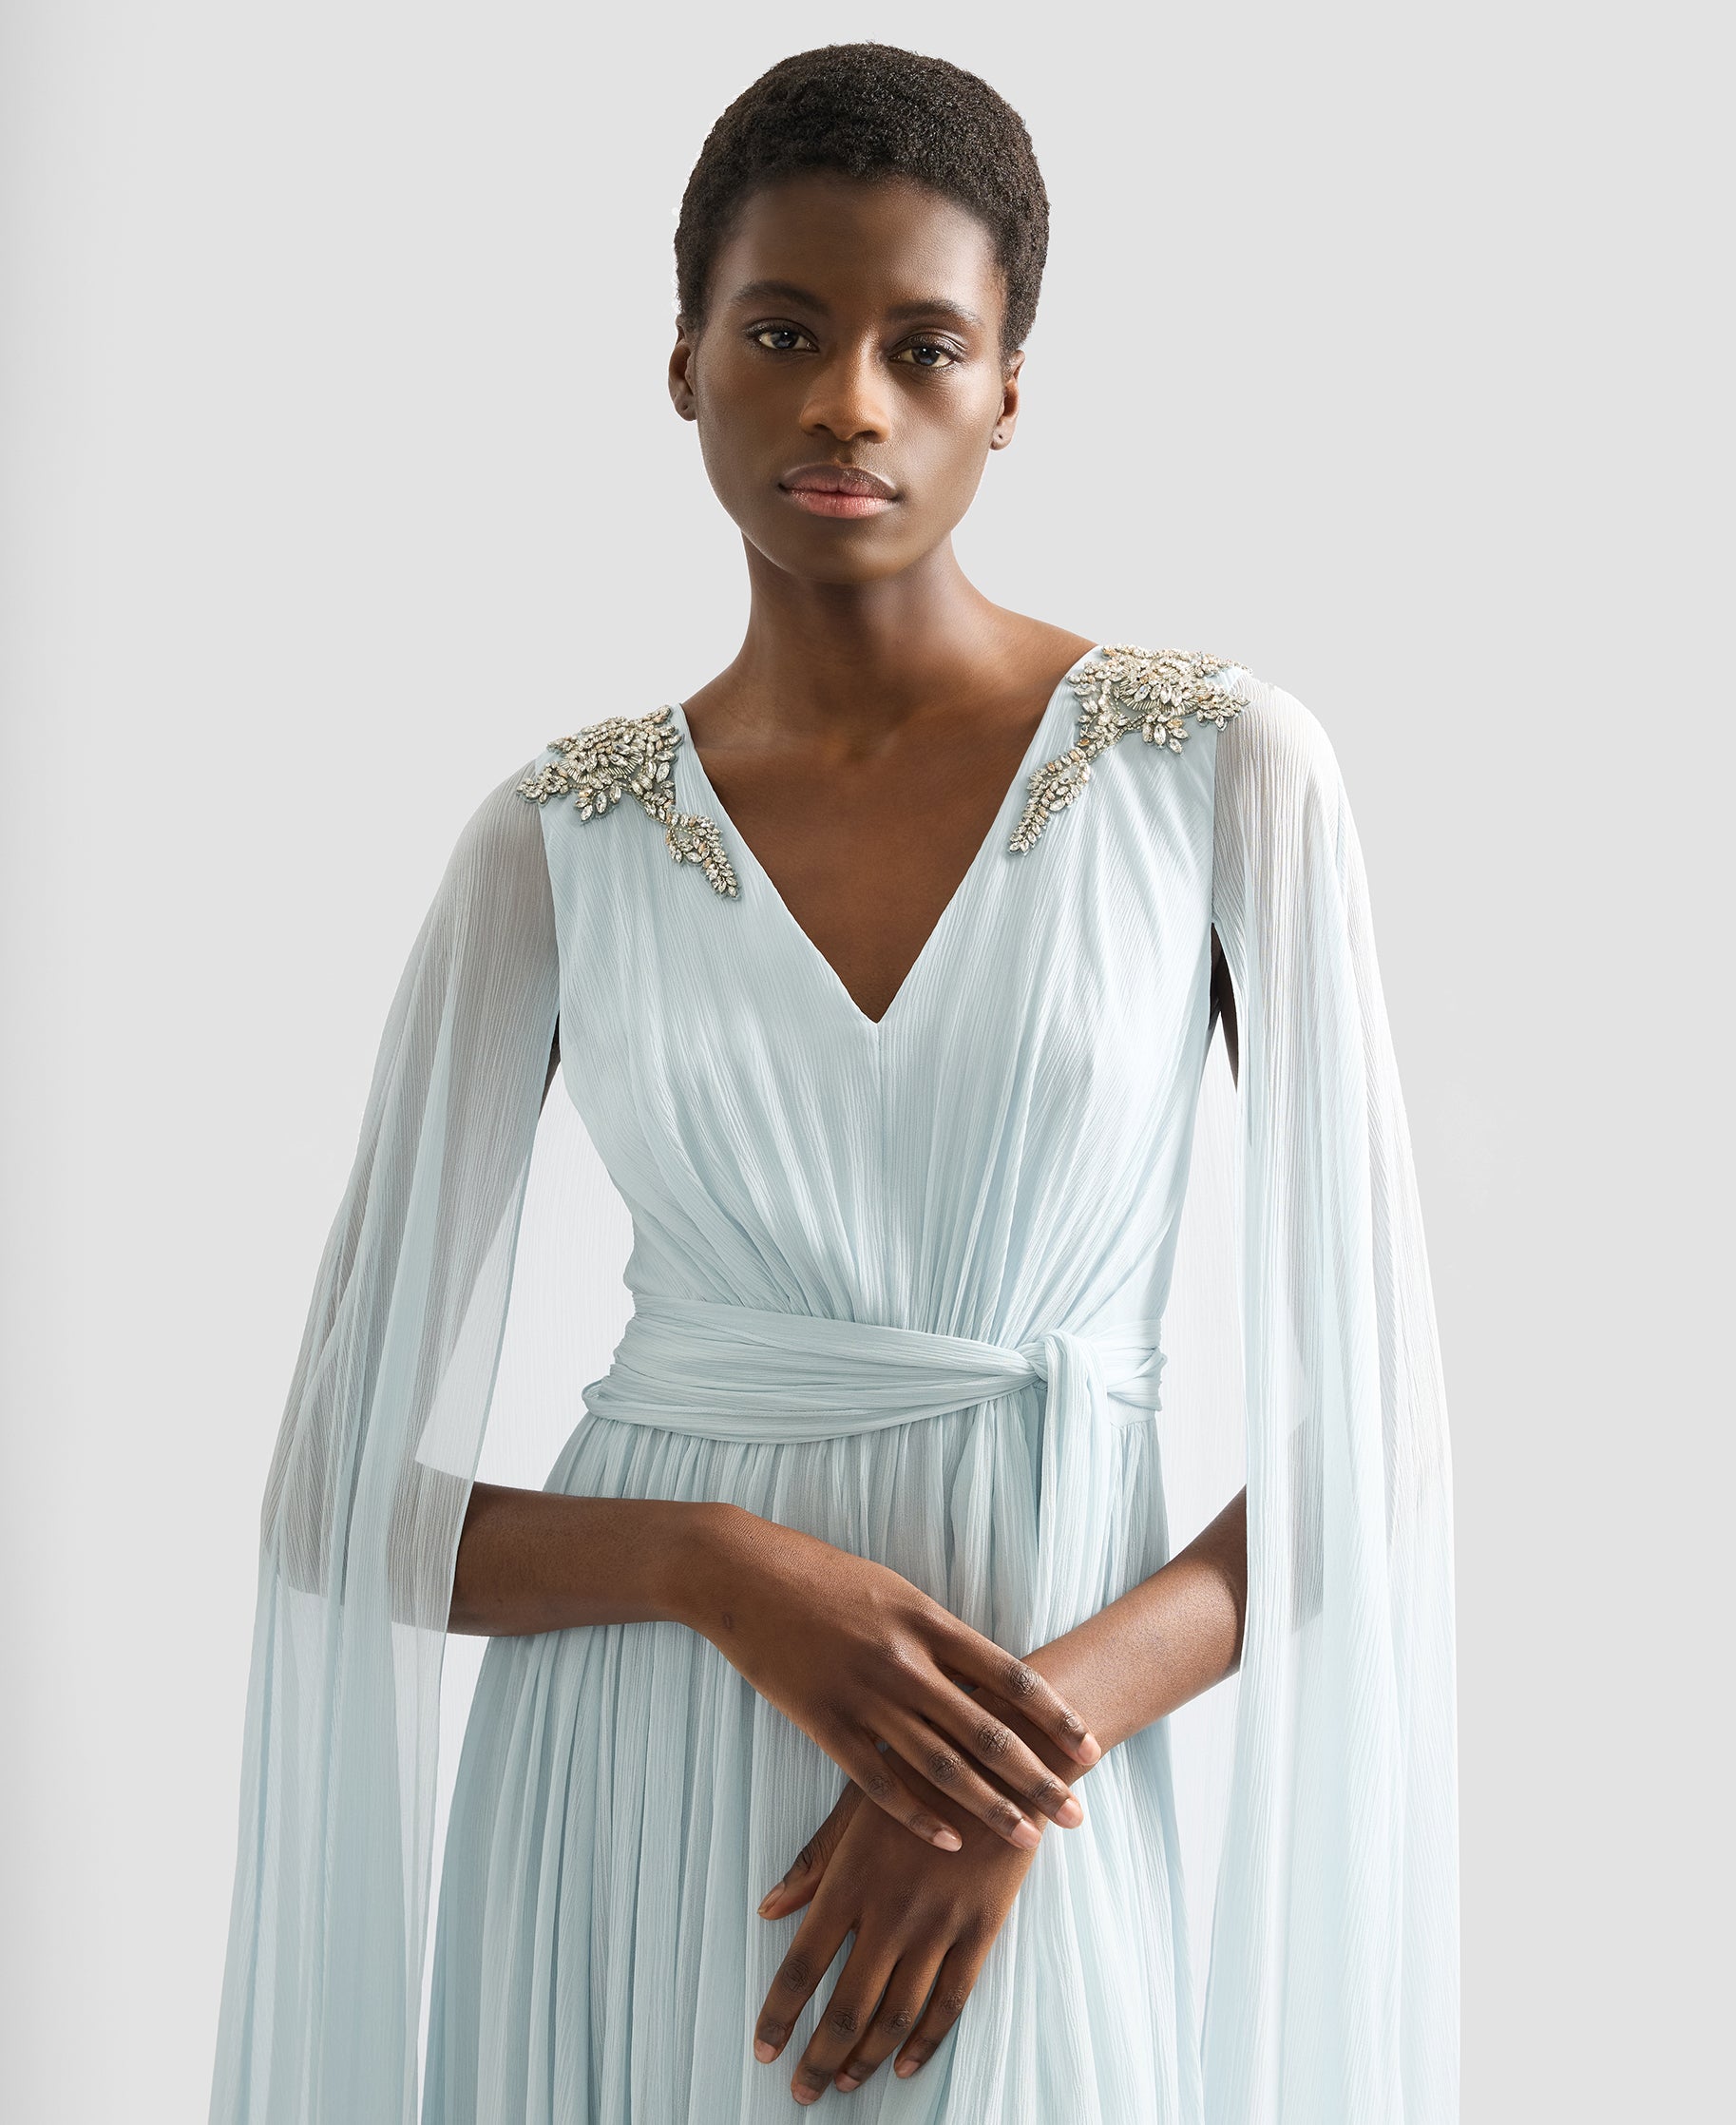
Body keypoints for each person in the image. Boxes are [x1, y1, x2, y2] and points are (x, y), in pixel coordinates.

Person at [209, 43, 1459, 2125]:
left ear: (1009, 389)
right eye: (783, 331)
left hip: (1025, 1789)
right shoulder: (559, 839)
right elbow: (333, 1503)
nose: (848, 402)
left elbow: (1380, 1450)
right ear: (683, 363)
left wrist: (1014, 1760)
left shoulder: (1221, 773)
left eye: (922, 346)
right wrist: (709, 1567)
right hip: (621, 1784)